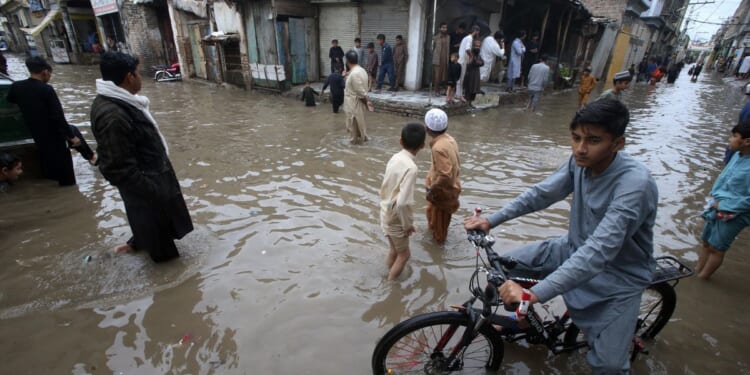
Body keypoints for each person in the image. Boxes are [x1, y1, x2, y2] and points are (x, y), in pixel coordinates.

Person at [464, 99, 658, 373]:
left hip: (618, 275)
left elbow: (599, 252)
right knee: (506, 269)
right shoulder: (578, 162)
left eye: (593, 140)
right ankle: (524, 322)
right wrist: (490, 219)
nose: (580, 148)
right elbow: (541, 194)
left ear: (617, 144)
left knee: (609, 367)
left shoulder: (634, 185)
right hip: (572, 248)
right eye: (576, 138)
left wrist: (535, 295)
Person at [90, 52, 193, 262]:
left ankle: (136, 244)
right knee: (166, 257)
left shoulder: (124, 103)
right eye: (138, 73)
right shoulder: (113, 114)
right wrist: (152, 191)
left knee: (159, 228)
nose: (140, 78)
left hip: (152, 181)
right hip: (147, 191)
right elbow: (115, 167)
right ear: (129, 77)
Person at [7, 56, 97, 186]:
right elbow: (58, 116)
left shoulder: (17, 87)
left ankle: (91, 157)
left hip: (35, 131)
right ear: (45, 72)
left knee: (73, 129)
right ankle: (75, 178)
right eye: (50, 74)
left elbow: (11, 99)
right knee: (66, 173)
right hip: (54, 135)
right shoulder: (46, 89)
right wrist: (72, 138)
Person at [697, 119, 750, 280]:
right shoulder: (737, 155)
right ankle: (697, 270)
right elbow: (724, 178)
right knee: (706, 241)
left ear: (747, 141)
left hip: (734, 212)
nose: (730, 139)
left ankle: (703, 279)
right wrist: (714, 201)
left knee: (717, 248)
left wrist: (725, 204)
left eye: (734, 136)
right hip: (716, 206)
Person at [379, 123, 426, 280]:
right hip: (396, 217)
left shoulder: (395, 157)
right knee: (404, 255)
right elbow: (402, 203)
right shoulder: (411, 168)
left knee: (394, 250)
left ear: (400, 141)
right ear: (423, 145)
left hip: (385, 210)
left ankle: (388, 273)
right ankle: (390, 285)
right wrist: (407, 226)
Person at [424, 108, 461, 244]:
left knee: (439, 230)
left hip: (442, 192)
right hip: (449, 187)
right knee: (432, 217)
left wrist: (431, 190)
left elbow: (445, 175)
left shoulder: (438, 147)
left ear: (427, 129)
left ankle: (437, 251)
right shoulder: (450, 139)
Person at [343, 50, 371, 145]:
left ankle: (353, 153)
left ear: (347, 61)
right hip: (357, 105)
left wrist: (367, 102)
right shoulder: (361, 70)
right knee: (360, 127)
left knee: (352, 132)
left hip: (353, 105)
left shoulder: (354, 74)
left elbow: (360, 93)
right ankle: (363, 142)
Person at [456, 25, 480, 102]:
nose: (478, 34)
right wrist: (471, 56)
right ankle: (459, 96)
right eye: (478, 32)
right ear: (476, 31)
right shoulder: (469, 38)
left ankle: (458, 94)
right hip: (463, 60)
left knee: (460, 78)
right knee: (461, 78)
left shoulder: (467, 38)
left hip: (461, 59)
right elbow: (467, 49)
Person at [463, 39, 484, 106]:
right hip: (470, 74)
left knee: (474, 90)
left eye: (478, 46)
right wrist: (476, 61)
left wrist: (477, 62)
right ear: (473, 46)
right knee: (469, 90)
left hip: (476, 74)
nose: (477, 48)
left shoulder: (478, 55)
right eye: (476, 46)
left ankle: (471, 103)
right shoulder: (471, 55)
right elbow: (474, 63)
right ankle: (467, 104)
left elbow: (482, 63)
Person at [432, 22, 450, 96]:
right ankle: (436, 90)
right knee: (437, 76)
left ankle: (444, 90)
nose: (444, 29)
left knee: (444, 76)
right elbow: (432, 47)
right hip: (437, 60)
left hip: (445, 59)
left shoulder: (448, 37)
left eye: (445, 27)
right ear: (440, 28)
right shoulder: (436, 37)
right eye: (443, 27)